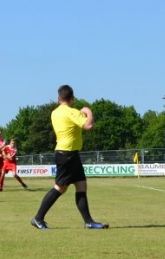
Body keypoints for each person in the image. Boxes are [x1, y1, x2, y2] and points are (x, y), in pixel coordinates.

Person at [31, 85, 108, 230]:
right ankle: (38, 218)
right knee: (60, 187)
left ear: (58, 98)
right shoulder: (72, 112)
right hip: (67, 154)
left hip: (69, 153)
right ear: (72, 98)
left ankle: (89, 221)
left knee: (81, 185)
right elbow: (89, 126)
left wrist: (79, 113)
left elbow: (70, 120)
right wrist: (88, 111)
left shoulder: (55, 112)